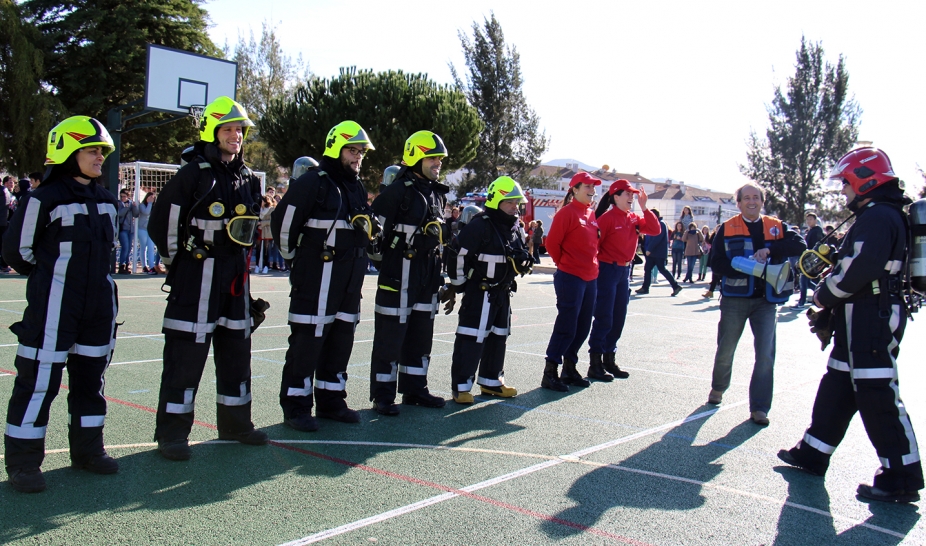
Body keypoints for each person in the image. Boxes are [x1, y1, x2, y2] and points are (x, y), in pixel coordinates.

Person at [778, 147, 923, 503]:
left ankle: (900, 476)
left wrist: (822, 297)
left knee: (877, 393)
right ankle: (813, 453)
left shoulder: (877, 217)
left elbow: (859, 267)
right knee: (839, 383)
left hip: (870, 316)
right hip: (861, 314)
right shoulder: (880, 214)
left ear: (864, 179)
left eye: (846, 182)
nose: (843, 190)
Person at [3, 116, 121, 493]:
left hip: (98, 309)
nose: (99, 157)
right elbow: (18, 253)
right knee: (38, 384)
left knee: (91, 383)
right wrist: (54, 281)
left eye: (102, 151)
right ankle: (23, 463)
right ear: (68, 153)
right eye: (92, 150)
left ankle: (88, 451)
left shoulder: (107, 200)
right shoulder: (42, 198)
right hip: (53, 309)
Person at [149, 96, 267, 461]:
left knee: (236, 352)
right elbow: (163, 224)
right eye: (229, 129)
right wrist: (178, 263)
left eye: (240, 130)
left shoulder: (247, 177)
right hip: (197, 278)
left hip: (234, 279)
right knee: (185, 358)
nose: (236, 136)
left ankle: (235, 425)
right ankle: (172, 434)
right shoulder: (193, 173)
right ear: (212, 133)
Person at [271, 120, 375, 431]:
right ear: (335, 149)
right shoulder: (312, 182)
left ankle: (332, 401)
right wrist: (297, 260)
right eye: (351, 150)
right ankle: (296, 407)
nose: (357, 157)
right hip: (317, 276)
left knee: (341, 338)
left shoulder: (356, 187)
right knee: (307, 340)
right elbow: (283, 224)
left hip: (349, 279)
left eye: (361, 152)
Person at [706, 183, 805, 426]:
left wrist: (769, 250)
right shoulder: (727, 228)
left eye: (756, 197)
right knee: (726, 349)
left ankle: (759, 407)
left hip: (766, 302)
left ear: (762, 201)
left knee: (765, 355)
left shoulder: (776, 226)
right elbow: (715, 262)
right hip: (735, 300)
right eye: (746, 198)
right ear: (738, 203)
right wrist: (744, 268)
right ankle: (718, 388)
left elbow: (799, 245)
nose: (752, 201)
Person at [368, 130, 450, 415]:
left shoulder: (436, 193)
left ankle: (415, 389)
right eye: (433, 158)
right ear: (416, 157)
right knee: (390, 338)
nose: (438, 162)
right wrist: (388, 265)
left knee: (420, 335)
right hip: (398, 275)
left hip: (427, 276)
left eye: (440, 158)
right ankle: (383, 396)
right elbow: (371, 237)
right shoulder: (396, 192)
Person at [444, 176, 532, 403]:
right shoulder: (479, 225)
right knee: (471, 337)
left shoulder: (515, 228)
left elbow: (520, 255)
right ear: (496, 201)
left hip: (503, 292)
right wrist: (458, 285)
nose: (515, 207)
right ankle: (461, 387)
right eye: (509, 202)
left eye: (516, 202)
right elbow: (457, 255)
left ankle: (492, 381)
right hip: (480, 292)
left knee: (498, 336)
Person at [587, 179, 659, 381]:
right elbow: (593, 245)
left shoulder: (634, 217)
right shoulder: (607, 219)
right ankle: (595, 363)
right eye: (627, 194)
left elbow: (655, 229)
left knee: (619, 317)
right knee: (604, 317)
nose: (632, 197)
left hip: (624, 272)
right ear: (615, 196)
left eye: (633, 194)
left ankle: (609, 359)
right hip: (607, 270)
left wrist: (645, 208)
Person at [542, 172, 601, 391]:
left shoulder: (590, 213)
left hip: (590, 278)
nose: (592, 190)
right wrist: (565, 264)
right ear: (575, 189)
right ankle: (550, 371)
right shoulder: (567, 213)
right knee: (567, 325)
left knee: (583, 325)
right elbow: (552, 244)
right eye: (587, 186)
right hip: (571, 277)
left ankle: (569, 368)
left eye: (593, 186)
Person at [636, 209, 682, 296]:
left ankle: (675, 286)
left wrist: (649, 249)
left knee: (662, 269)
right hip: (655, 253)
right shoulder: (658, 223)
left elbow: (657, 238)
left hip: (657, 253)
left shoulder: (660, 224)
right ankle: (645, 287)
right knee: (648, 269)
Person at [793, 212, 824, 308]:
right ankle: (821, 294)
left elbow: (815, 246)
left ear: (815, 220)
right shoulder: (810, 231)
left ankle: (801, 303)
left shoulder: (817, 231)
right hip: (807, 258)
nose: (809, 221)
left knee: (804, 280)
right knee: (807, 282)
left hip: (811, 259)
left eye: (811, 219)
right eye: (807, 219)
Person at [116, 189, 138, 274]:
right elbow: (119, 214)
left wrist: (134, 206)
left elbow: (136, 214)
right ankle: (122, 265)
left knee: (129, 248)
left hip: (130, 230)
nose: (122, 198)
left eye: (124, 196)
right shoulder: (119, 204)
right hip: (123, 229)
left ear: (128, 196)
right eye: (121, 196)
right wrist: (126, 207)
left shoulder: (131, 204)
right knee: (125, 247)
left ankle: (127, 265)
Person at [137, 192, 158, 274]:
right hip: (142, 229)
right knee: (143, 247)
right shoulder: (142, 205)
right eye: (149, 197)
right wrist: (149, 203)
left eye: (153, 198)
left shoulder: (154, 206)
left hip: (150, 229)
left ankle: (152, 267)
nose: (151, 199)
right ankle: (144, 266)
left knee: (151, 248)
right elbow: (146, 213)